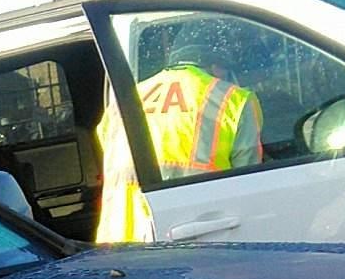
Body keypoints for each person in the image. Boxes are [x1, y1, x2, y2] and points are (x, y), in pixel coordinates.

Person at [93, 20, 266, 243]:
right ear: (216, 65)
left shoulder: (123, 101)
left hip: (119, 242)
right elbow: (251, 184)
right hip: (198, 235)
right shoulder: (234, 100)